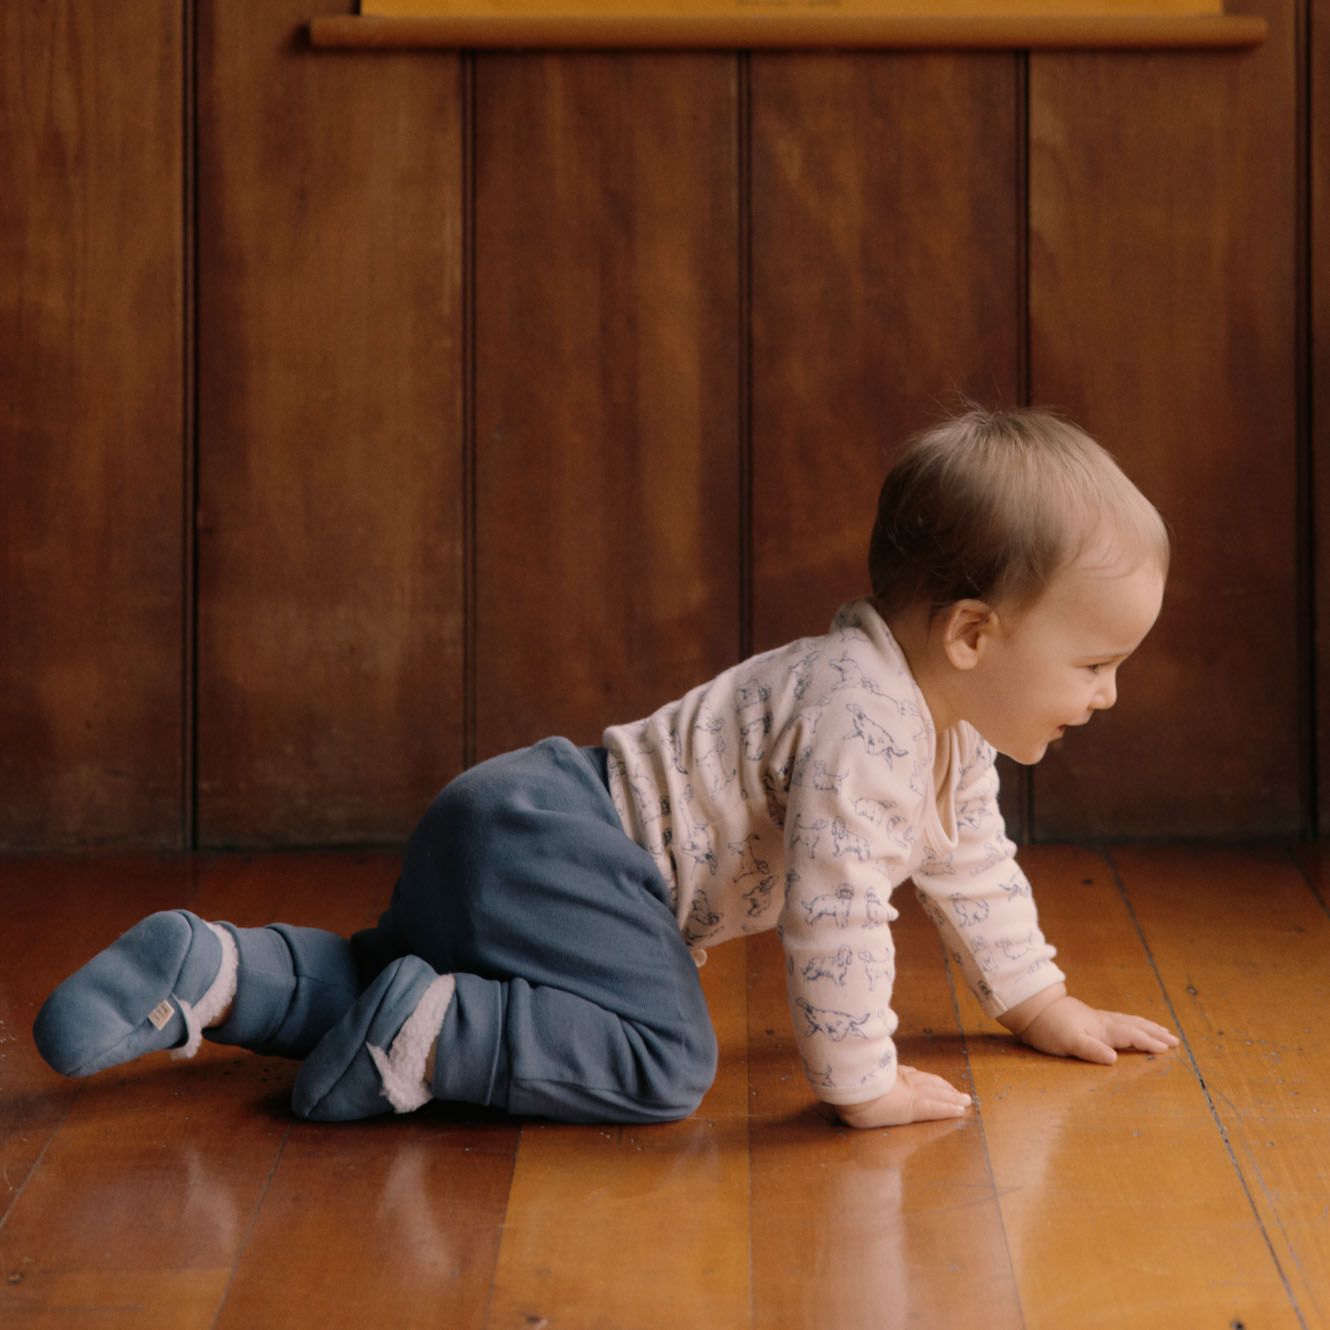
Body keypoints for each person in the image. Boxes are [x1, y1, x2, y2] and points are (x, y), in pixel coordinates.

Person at [33, 406, 1179, 1130]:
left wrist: (1039, 1002)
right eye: (1094, 662)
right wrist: (859, 1079)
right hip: (571, 852)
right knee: (664, 1059)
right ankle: (430, 1031)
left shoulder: (941, 727)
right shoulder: (865, 720)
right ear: (973, 634)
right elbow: (837, 915)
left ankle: (222, 972)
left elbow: (969, 864)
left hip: (515, 822)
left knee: (393, 961)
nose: (1107, 693)